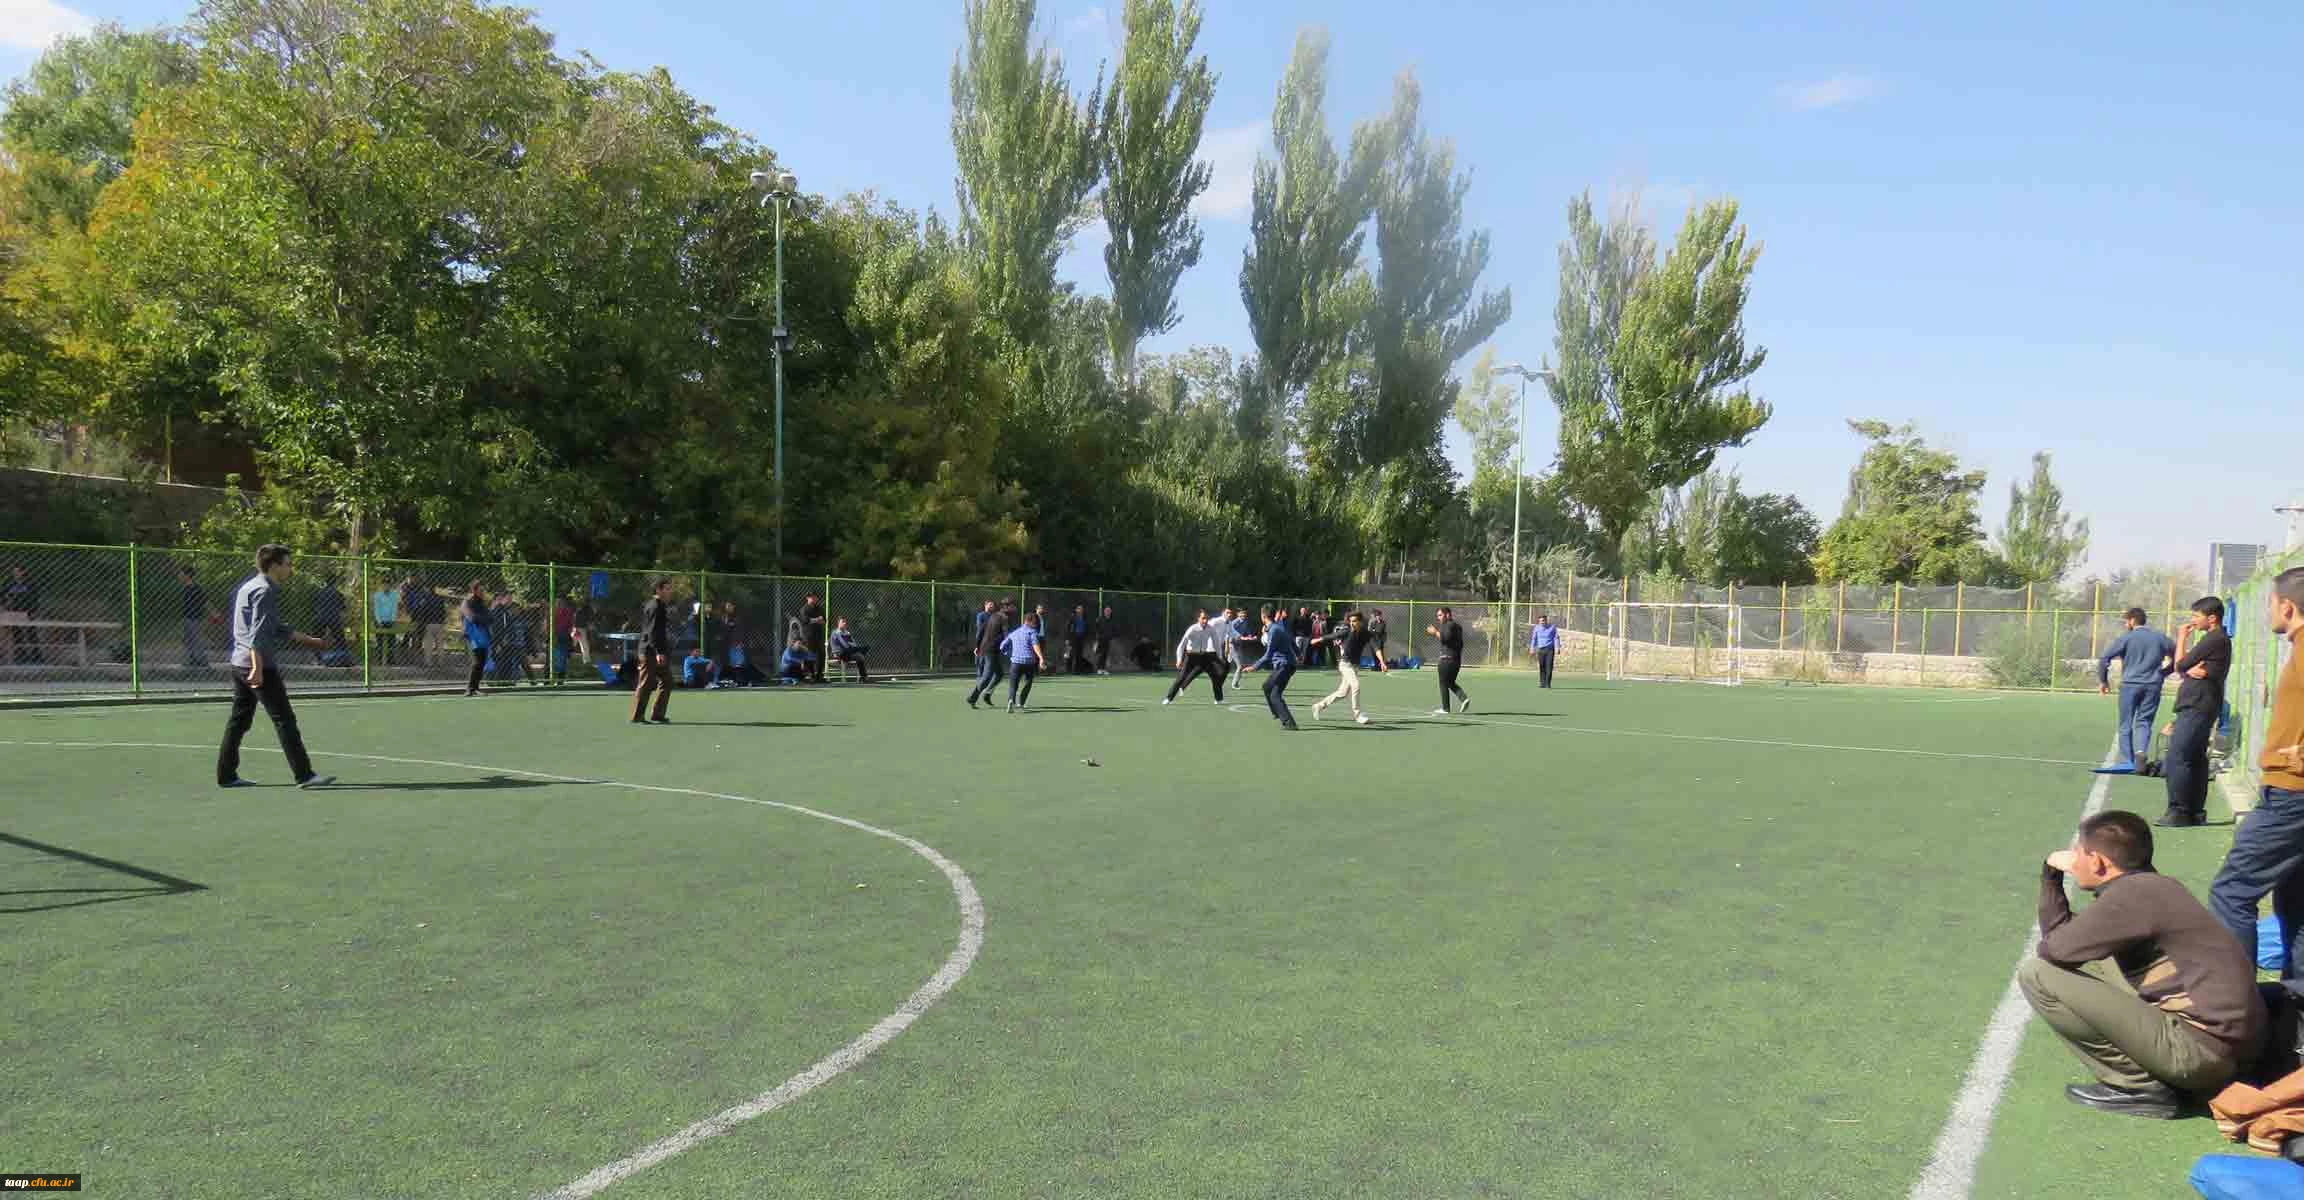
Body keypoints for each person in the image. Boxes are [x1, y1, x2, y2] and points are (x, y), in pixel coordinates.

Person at [2018, 810, 2263, 1118]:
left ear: (2097, 861)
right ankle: (2167, 1074)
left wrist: (2050, 876)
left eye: (2079, 852)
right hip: (2237, 1049)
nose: (2074, 860)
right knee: (2097, 958)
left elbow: (2054, 950)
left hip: (2203, 1056)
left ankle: (2139, 1086)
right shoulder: (2156, 887)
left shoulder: (2131, 896)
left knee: (2037, 974)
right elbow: (2069, 943)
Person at [2209, 568, 2304, 975]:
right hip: (2290, 793)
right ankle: (2296, 1003)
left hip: (2291, 796)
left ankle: (2234, 1003)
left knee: (2232, 890)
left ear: (2288, 606)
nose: (2268, 611)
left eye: (2270, 603)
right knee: (2295, 901)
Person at [216, 544, 336, 790]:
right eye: (287, 564)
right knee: (284, 719)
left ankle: (226, 775)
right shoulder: (266, 590)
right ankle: (304, 776)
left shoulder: (250, 586)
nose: (290, 569)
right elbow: (258, 633)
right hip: (257, 664)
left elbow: (274, 627)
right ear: (273, 566)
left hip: (239, 663)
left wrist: (312, 641)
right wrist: (258, 667)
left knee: (239, 720)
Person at [2160, 598, 2232, 828]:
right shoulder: (2215, 639)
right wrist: (2189, 669)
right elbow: (2185, 669)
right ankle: (2195, 811)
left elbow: (2180, 665)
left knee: (2178, 756)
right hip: (2201, 704)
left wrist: (2182, 638)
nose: (2192, 621)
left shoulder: (2215, 639)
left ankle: (2179, 810)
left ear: (2212, 618)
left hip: (2198, 705)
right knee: (2195, 757)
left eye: (2196, 616)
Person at [2097, 608, 2176, 774]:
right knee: (2144, 721)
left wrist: (2103, 681)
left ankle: (2129, 760)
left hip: (2130, 685)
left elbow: (2104, 658)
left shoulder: (2127, 638)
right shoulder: (2160, 638)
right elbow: (2178, 657)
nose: (2126, 624)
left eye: (2126, 621)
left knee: (2125, 723)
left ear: (2132, 620)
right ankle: (2141, 752)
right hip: (2153, 685)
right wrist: (2163, 673)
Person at [1311, 610, 1388, 725]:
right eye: (1351, 621)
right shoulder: (1347, 631)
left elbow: (1376, 648)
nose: (1352, 623)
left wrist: (1382, 662)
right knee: (1356, 685)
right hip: (1345, 664)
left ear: (1360, 622)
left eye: (1354, 621)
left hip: (1355, 666)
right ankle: (1358, 715)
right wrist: (1317, 639)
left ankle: (1319, 706)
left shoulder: (1366, 633)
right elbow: (1332, 636)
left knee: (1342, 693)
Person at [629, 578, 675, 724]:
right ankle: (637, 716)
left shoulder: (659, 605)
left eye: (670, 588)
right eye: (667, 589)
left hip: (655, 651)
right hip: (650, 651)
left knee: (667, 681)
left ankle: (658, 714)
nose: (670, 591)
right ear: (658, 590)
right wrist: (658, 652)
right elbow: (653, 632)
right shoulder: (656, 606)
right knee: (646, 683)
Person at [1163, 610, 1226, 705]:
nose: (1205, 620)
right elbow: (1182, 645)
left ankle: (1219, 699)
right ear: (1198, 619)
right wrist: (1179, 660)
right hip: (1191, 657)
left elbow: (1216, 643)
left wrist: (1220, 656)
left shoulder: (1210, 629)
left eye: (1206, 618)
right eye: (1203, 618)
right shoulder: (1192, 629)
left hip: (1204, 657)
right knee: (1181, 678)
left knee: (1215, 677)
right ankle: (1169, 698)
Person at [1252, 608, 1301, 730]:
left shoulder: (1274, 630)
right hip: (1285, 665)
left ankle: (1289, 723)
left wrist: (1254, 666)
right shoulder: (1278, 628)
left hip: (1284, 665)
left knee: (1275, 695)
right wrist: (1299, 654)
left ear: (1263, 616)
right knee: (1267, 687)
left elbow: (1268, 654)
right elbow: (1291, 641)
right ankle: (1278, 713)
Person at [966, 599, 1013, 709]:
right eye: (1011, 606)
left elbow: (981, 631)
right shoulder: (1004, 618)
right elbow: (1006, 635)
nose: (1013, 608)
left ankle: (987, 694)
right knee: (987, 676)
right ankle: (973, 697)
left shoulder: (993, 615)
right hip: (990, 650)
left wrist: (978, 645)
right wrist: (1010, 648)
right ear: (1006, 607)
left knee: (999, 674)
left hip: (987, 648)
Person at [1428, 606, 1470, 715]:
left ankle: (1445, 708)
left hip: (1446, 660)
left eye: (1440, 615)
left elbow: (1445, 638)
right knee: (1450, 682)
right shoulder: (1457, 626)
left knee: (1443, 683)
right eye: (1437, 616)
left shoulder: (1448, 625)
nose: (1438, 618)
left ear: (1447, 615)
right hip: (1456, 661)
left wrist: (1435, 632)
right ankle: (1463, 698)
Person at [1002, 611, 1046, 712]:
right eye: (1034, 622)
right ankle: (1021, 703)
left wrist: (1008, 654)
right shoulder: (1032, 632)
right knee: (1028, 682)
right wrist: (1041, 658)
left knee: (1013, 684)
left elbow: (1003, 645)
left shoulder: (1014, 632)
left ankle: (1011, 700)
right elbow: (1035, 645)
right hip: (1029, 662)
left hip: (1015, 662)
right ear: (1029, 621)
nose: (1035, 624)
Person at [459, 581, 492, 696]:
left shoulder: (482, 603)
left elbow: (490, 618)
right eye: (481, 590)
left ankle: (475, 688)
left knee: (482, 661)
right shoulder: (467, 602)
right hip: (472, 634)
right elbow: (472, 618)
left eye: (484, 590)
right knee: (477, 661)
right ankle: (470, 688)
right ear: (474, 590)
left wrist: (483, 619)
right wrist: (483, 619)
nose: (483, 592)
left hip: (483, 634)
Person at [1, 562, 38, 665]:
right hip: (13, 612)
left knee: (31, 633)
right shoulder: (9, 583)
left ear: (23, 572)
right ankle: (21, 655)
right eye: (14, 572)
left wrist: (33, 611)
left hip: (27, 611)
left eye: (18, 572)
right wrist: (6, 602)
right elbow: (3, 595)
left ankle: (36, 656)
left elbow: (34, 598)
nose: (16, 574)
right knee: (17, 634)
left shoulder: (30, 583)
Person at [178, 566, 209, 668]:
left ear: (187, 575)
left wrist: (214, 613)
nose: (179, 575)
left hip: (195, 617)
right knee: (188, 639)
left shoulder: (196, 588)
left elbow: (205, 601)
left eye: (181, 573)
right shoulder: (185, 587)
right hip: (187, 617)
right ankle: (193, 659)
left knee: (196, 639)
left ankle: (202, 661)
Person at [830, 616, 871, 682]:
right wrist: (850, 644)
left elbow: (854, 644)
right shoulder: (836, 633)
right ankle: (864, 677)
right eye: (843, 622)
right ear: (838, 623)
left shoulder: (847, 633)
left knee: (860, 655)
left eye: (845, 622)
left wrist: (850, 644)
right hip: (839, 653)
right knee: (860, 652)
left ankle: (863, 677)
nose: (845, 623)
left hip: (848, 652)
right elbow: (844, 644)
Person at [371, 578, 402, 665]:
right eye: (384, 584)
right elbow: (376, 609)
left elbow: (394, 608)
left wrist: (393, 620)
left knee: (391, 641)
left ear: (390, 585)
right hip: (379, 621)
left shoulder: (394, 595)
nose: (386, 586)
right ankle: (380, 659)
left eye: (388, 584)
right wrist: (379, 621)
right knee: (379, 642)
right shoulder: (377, 595)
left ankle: (391, 660)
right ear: (382, 585)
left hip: (390, 621)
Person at [799, 592, 827, 682]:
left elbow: (824, 620)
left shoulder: (819, 608)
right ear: (807, 598)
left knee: (821, 655)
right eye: (811, 597)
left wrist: (816, 620)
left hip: (819, 635)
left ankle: (819, 676)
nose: (814, 599)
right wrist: (817, 619)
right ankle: (811, 675)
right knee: (810, 655)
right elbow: (806, 620)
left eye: (815, 597)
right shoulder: (804, 609)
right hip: (809, 636)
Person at [1529, 613, 1561, 688]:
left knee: (1549, 666)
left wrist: (1557, 647)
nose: (1541, 622)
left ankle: (1548, 683)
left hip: (1549, 649)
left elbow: (1556, 638)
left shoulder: (1552, 627)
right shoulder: (1536, 628)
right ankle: (1542, 683)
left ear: (1546, 620)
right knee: (1542, 666)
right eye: (1540, 621)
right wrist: (1532, 648)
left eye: (1543, 621)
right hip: (1540, 650)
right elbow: (1534, 639)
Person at [1094, 605, 1116, 676]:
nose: (1108, 612)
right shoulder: (1099, 619)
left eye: (1109, 611)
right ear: (1104, 612)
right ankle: (1099, 669)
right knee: (1101, 654)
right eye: (1107, 611)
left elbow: (1113, 629)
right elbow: (1096, 629)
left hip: (1108, 639)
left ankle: (1103, 669)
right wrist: (1098, 638)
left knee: (1106, 654)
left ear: (1111, 612)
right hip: (1101, 639)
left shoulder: (1111, 620)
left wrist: (1111, 636)